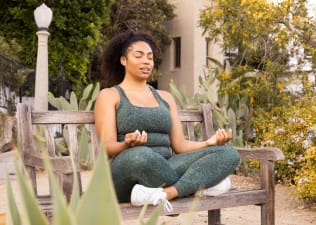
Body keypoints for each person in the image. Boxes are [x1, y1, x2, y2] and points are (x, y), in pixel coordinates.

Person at [94, 30, 240, 212]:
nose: (146, 61)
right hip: (127, 171)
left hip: (166, 165)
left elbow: (179, 145)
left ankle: (167, 193)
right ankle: (198, 187)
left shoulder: (165, 97)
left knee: (229, 153)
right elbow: (106, 147)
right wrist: (127, 144)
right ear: (123, 60)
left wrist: (208, 143)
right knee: (142, 155)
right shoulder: (110, 95)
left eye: (150, 57)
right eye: (138, 56)